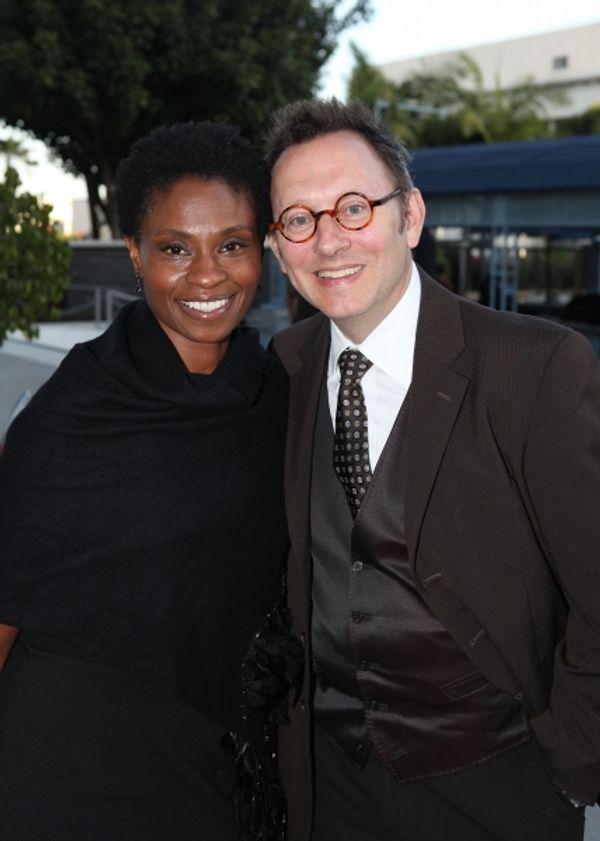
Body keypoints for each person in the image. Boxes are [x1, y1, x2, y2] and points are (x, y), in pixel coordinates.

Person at [266, 98, 600, 841]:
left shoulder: (533, 365)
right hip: (328, 788)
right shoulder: (283, 369)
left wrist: (569, 761)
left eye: (354, 207)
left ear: (409, 217)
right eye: (299, 218)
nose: (328, 240)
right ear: (279, 246)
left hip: (496, 787)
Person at [0, 121, 301, 841]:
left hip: (218, 761)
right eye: (175, 248)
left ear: (260, 247)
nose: (207, 276)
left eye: (231, 244)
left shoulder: (276, 390)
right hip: (69, 764)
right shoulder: (71, 415)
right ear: (134, 254)